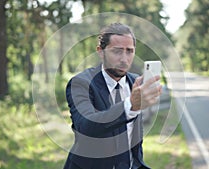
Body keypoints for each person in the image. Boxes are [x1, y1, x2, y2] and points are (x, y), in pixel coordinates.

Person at [64, 23, 162, 169]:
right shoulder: (80, 83)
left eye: (129, 51)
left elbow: (133, 140)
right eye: (117, 51)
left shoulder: (135, 83)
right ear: (100, 51)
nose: (124, 58)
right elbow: (86, 126)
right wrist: (130, 106)